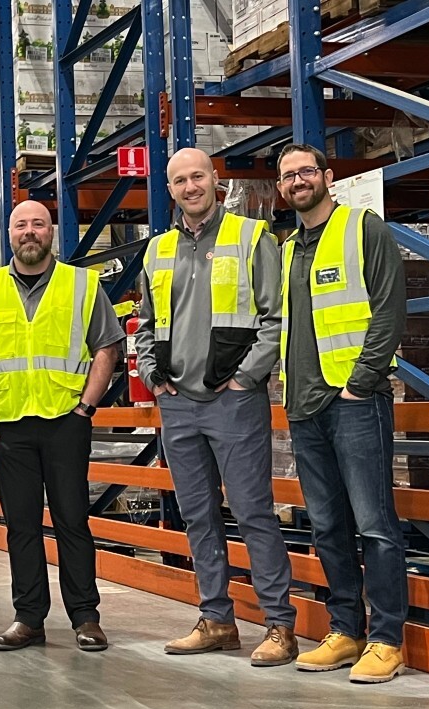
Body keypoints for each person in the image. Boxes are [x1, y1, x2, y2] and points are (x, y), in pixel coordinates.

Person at [133, 148, 299, 666]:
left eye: (198, 176)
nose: (190, 186)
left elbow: (276, 319)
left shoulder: (252, 237)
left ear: (215, 180)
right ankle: (217, 620)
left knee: (252, 512)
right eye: (179, 180)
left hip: (233, 402)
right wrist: (152, 377)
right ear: (170, 190)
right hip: (178, 404)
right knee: (198, 515)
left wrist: (245, 379)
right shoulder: (157, 250)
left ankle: (279, 626)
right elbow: (145, 321)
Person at [0, 200, 124, 652]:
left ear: (51, 231)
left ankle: (85, 618)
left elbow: (108, 346)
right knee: (22, 525)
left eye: (38, 224)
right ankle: (29, 618)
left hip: (65, 421)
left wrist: (86, 408)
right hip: (10, 423)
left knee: (73, 519)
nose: (28, 232)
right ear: (8, 234)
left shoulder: (82, 284)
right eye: (20, 225)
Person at [276, 143, 408, 683]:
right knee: (328, 526)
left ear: (327, 177)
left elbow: (389, 309)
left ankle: (386, 639)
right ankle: (346, 630)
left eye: (306, 171)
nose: (298, 181)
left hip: (354, 402)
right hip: (305, 407)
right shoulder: (287, 250)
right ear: (282, 189)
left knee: (375, 524)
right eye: (288, 176)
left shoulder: (363, 229)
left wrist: (360, 383)